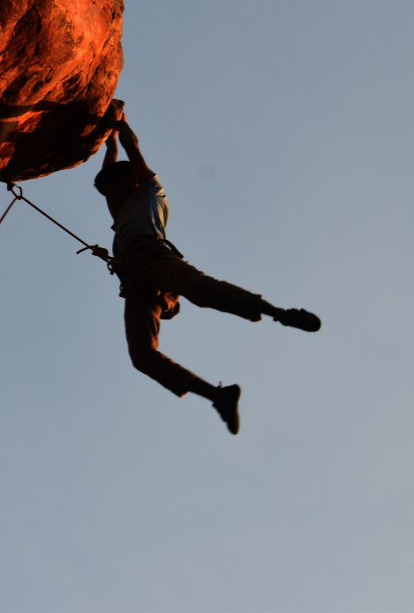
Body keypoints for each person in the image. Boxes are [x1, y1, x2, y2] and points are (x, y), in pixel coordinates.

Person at [90, 105, 321, 435]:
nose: (110, 194)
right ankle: (218, 396)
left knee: (201, 290)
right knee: (141, 356)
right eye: (107, 189)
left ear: (130, 180)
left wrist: (119, 119)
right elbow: (112, 156)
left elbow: (130, 146)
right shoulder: (120, 208)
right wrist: (108, 138)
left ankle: (280, 313)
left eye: (114, 186)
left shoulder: (150, 191)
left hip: (154, 257)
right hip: (134, 279)